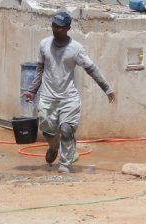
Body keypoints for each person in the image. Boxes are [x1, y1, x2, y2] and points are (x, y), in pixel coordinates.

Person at [24, 11, 116, 173]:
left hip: (68, 98)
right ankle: (53, 147)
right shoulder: (44, 44)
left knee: (66, 130)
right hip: (47, 97)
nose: (55, 29)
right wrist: (32, 90)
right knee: (47, 131)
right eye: (54, 25)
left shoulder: (76, 49)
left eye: (59, 27)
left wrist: (106, 88)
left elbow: (91, 69)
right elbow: (40, 68)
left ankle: (65, 163)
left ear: (67, 28)